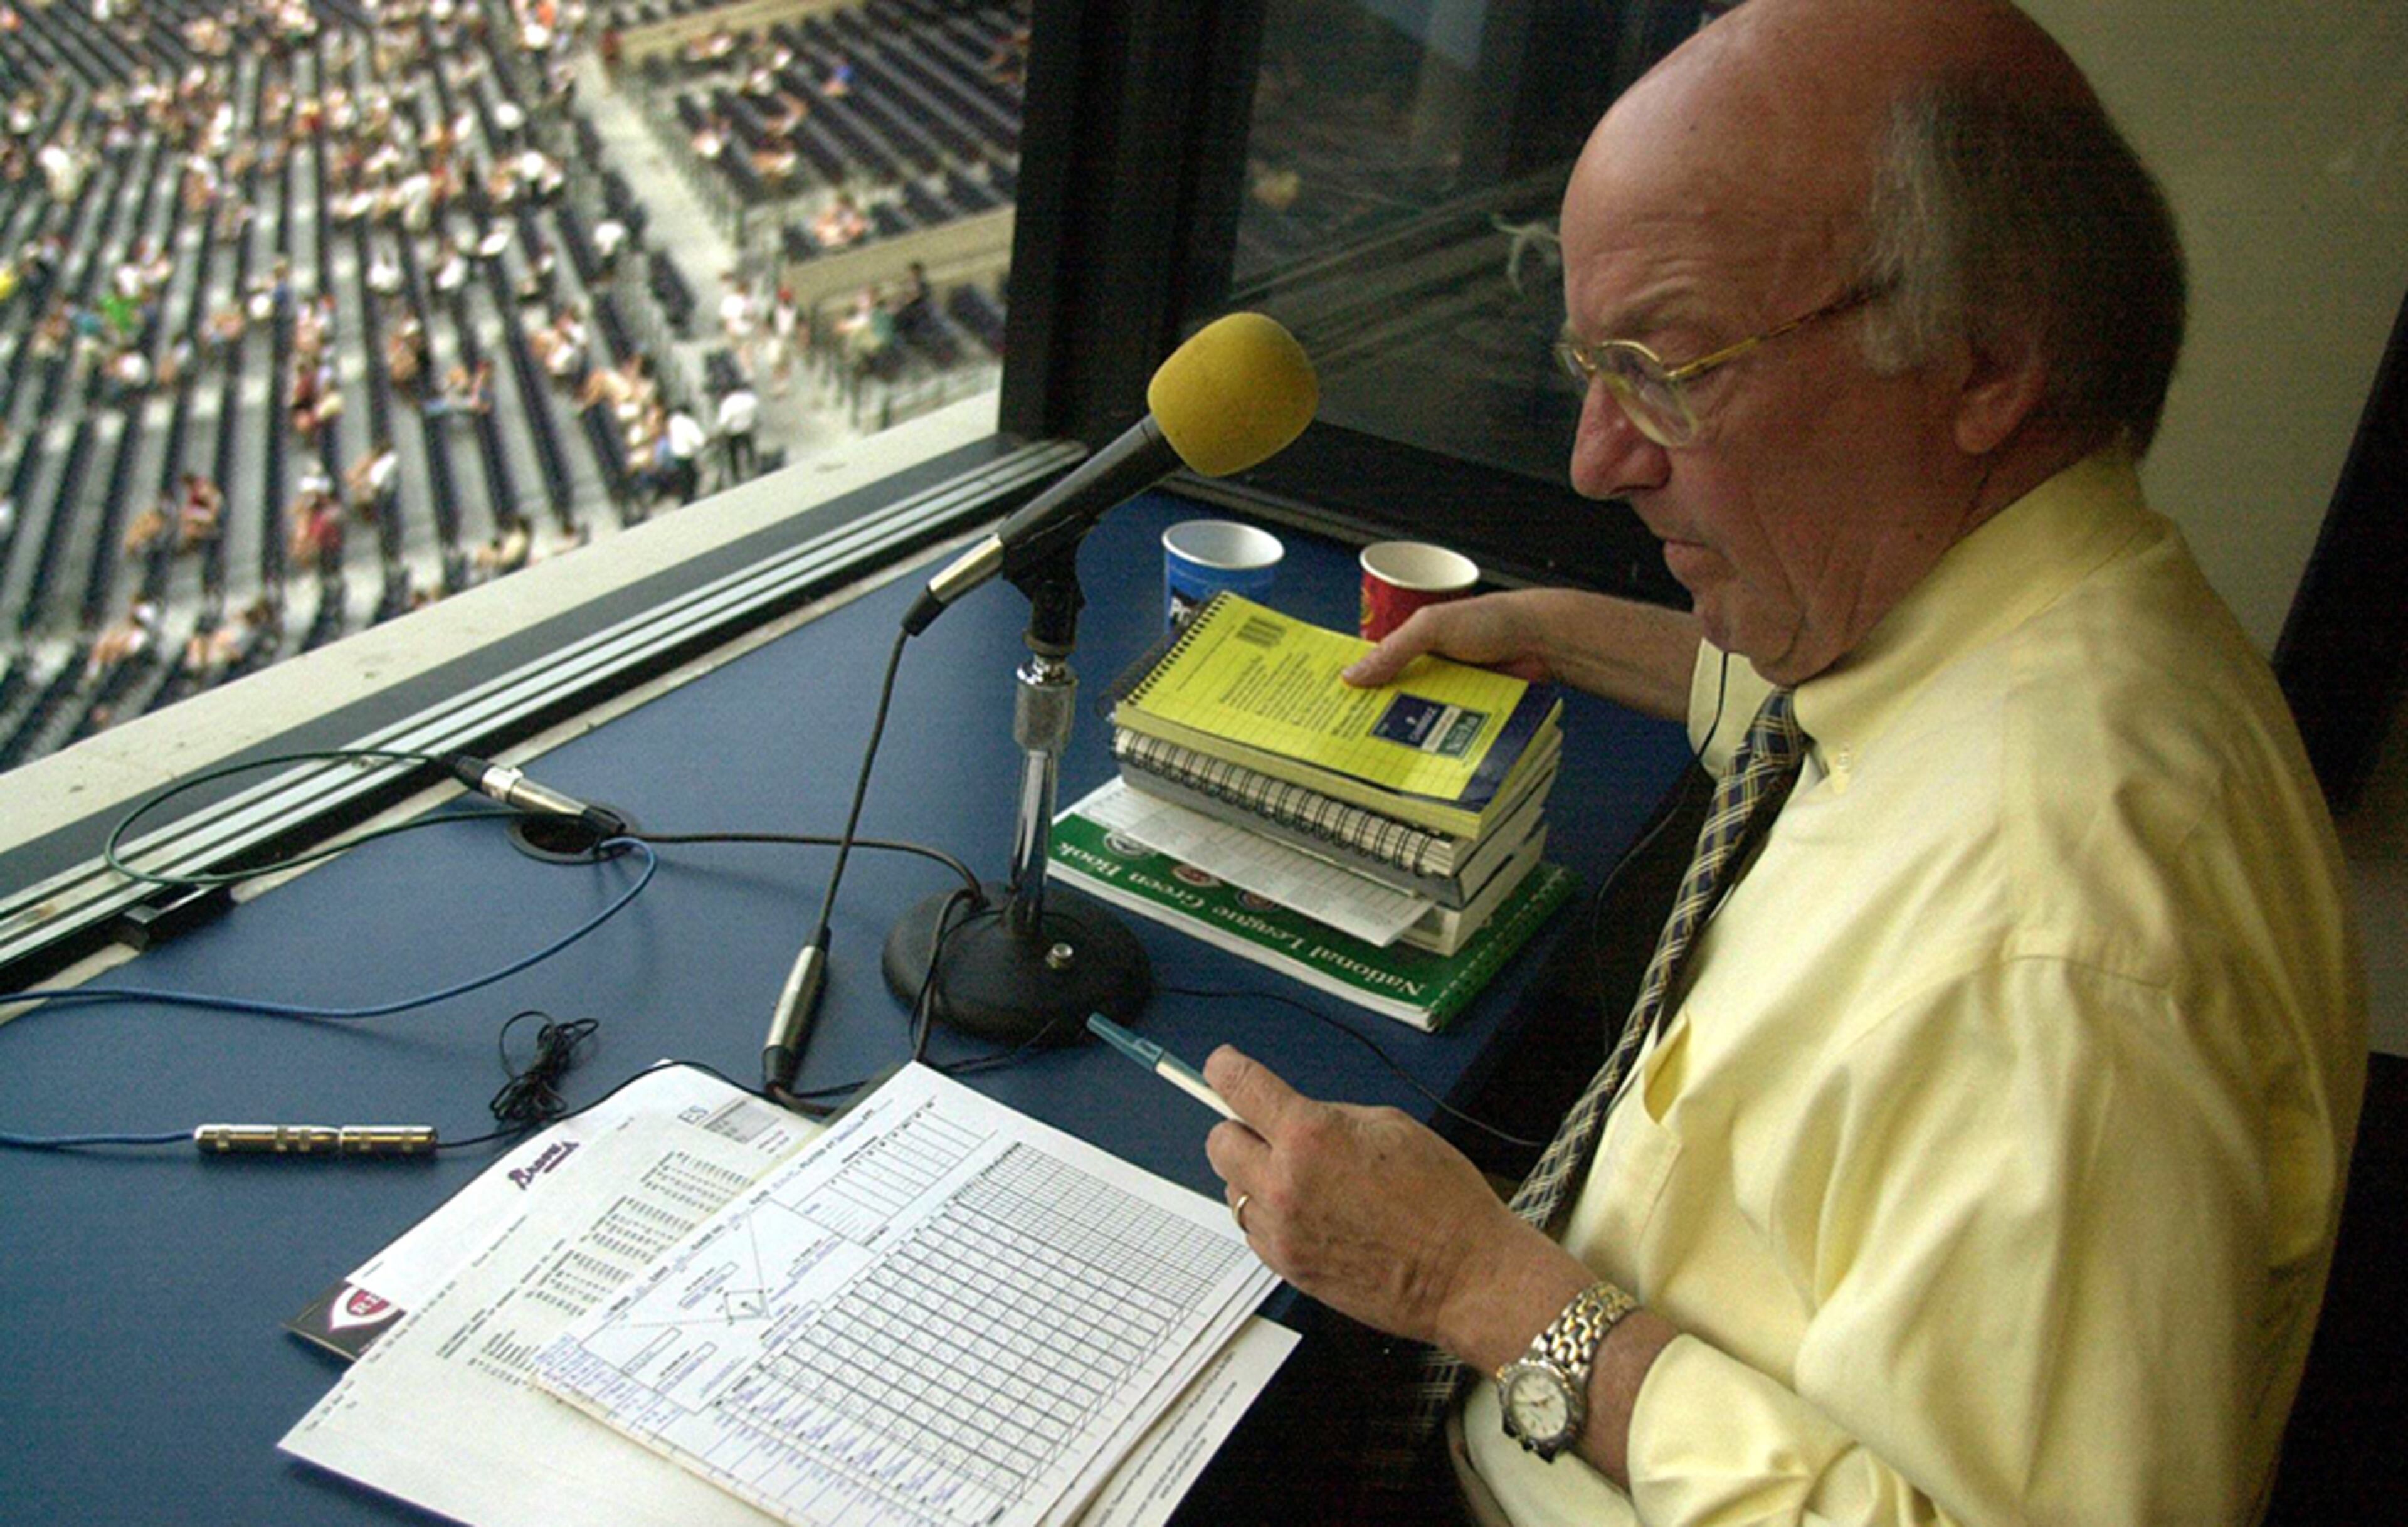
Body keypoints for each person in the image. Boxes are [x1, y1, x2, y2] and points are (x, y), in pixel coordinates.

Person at [1200, 3, 2365, 1524]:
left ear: (1985, 361)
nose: (1598, 459)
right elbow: (1817, 728)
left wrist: (1480, 1288)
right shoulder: (2040, 630)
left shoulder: (2054, 945)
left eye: (1670, 369)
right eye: (1589, 369)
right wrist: (1550, 629)